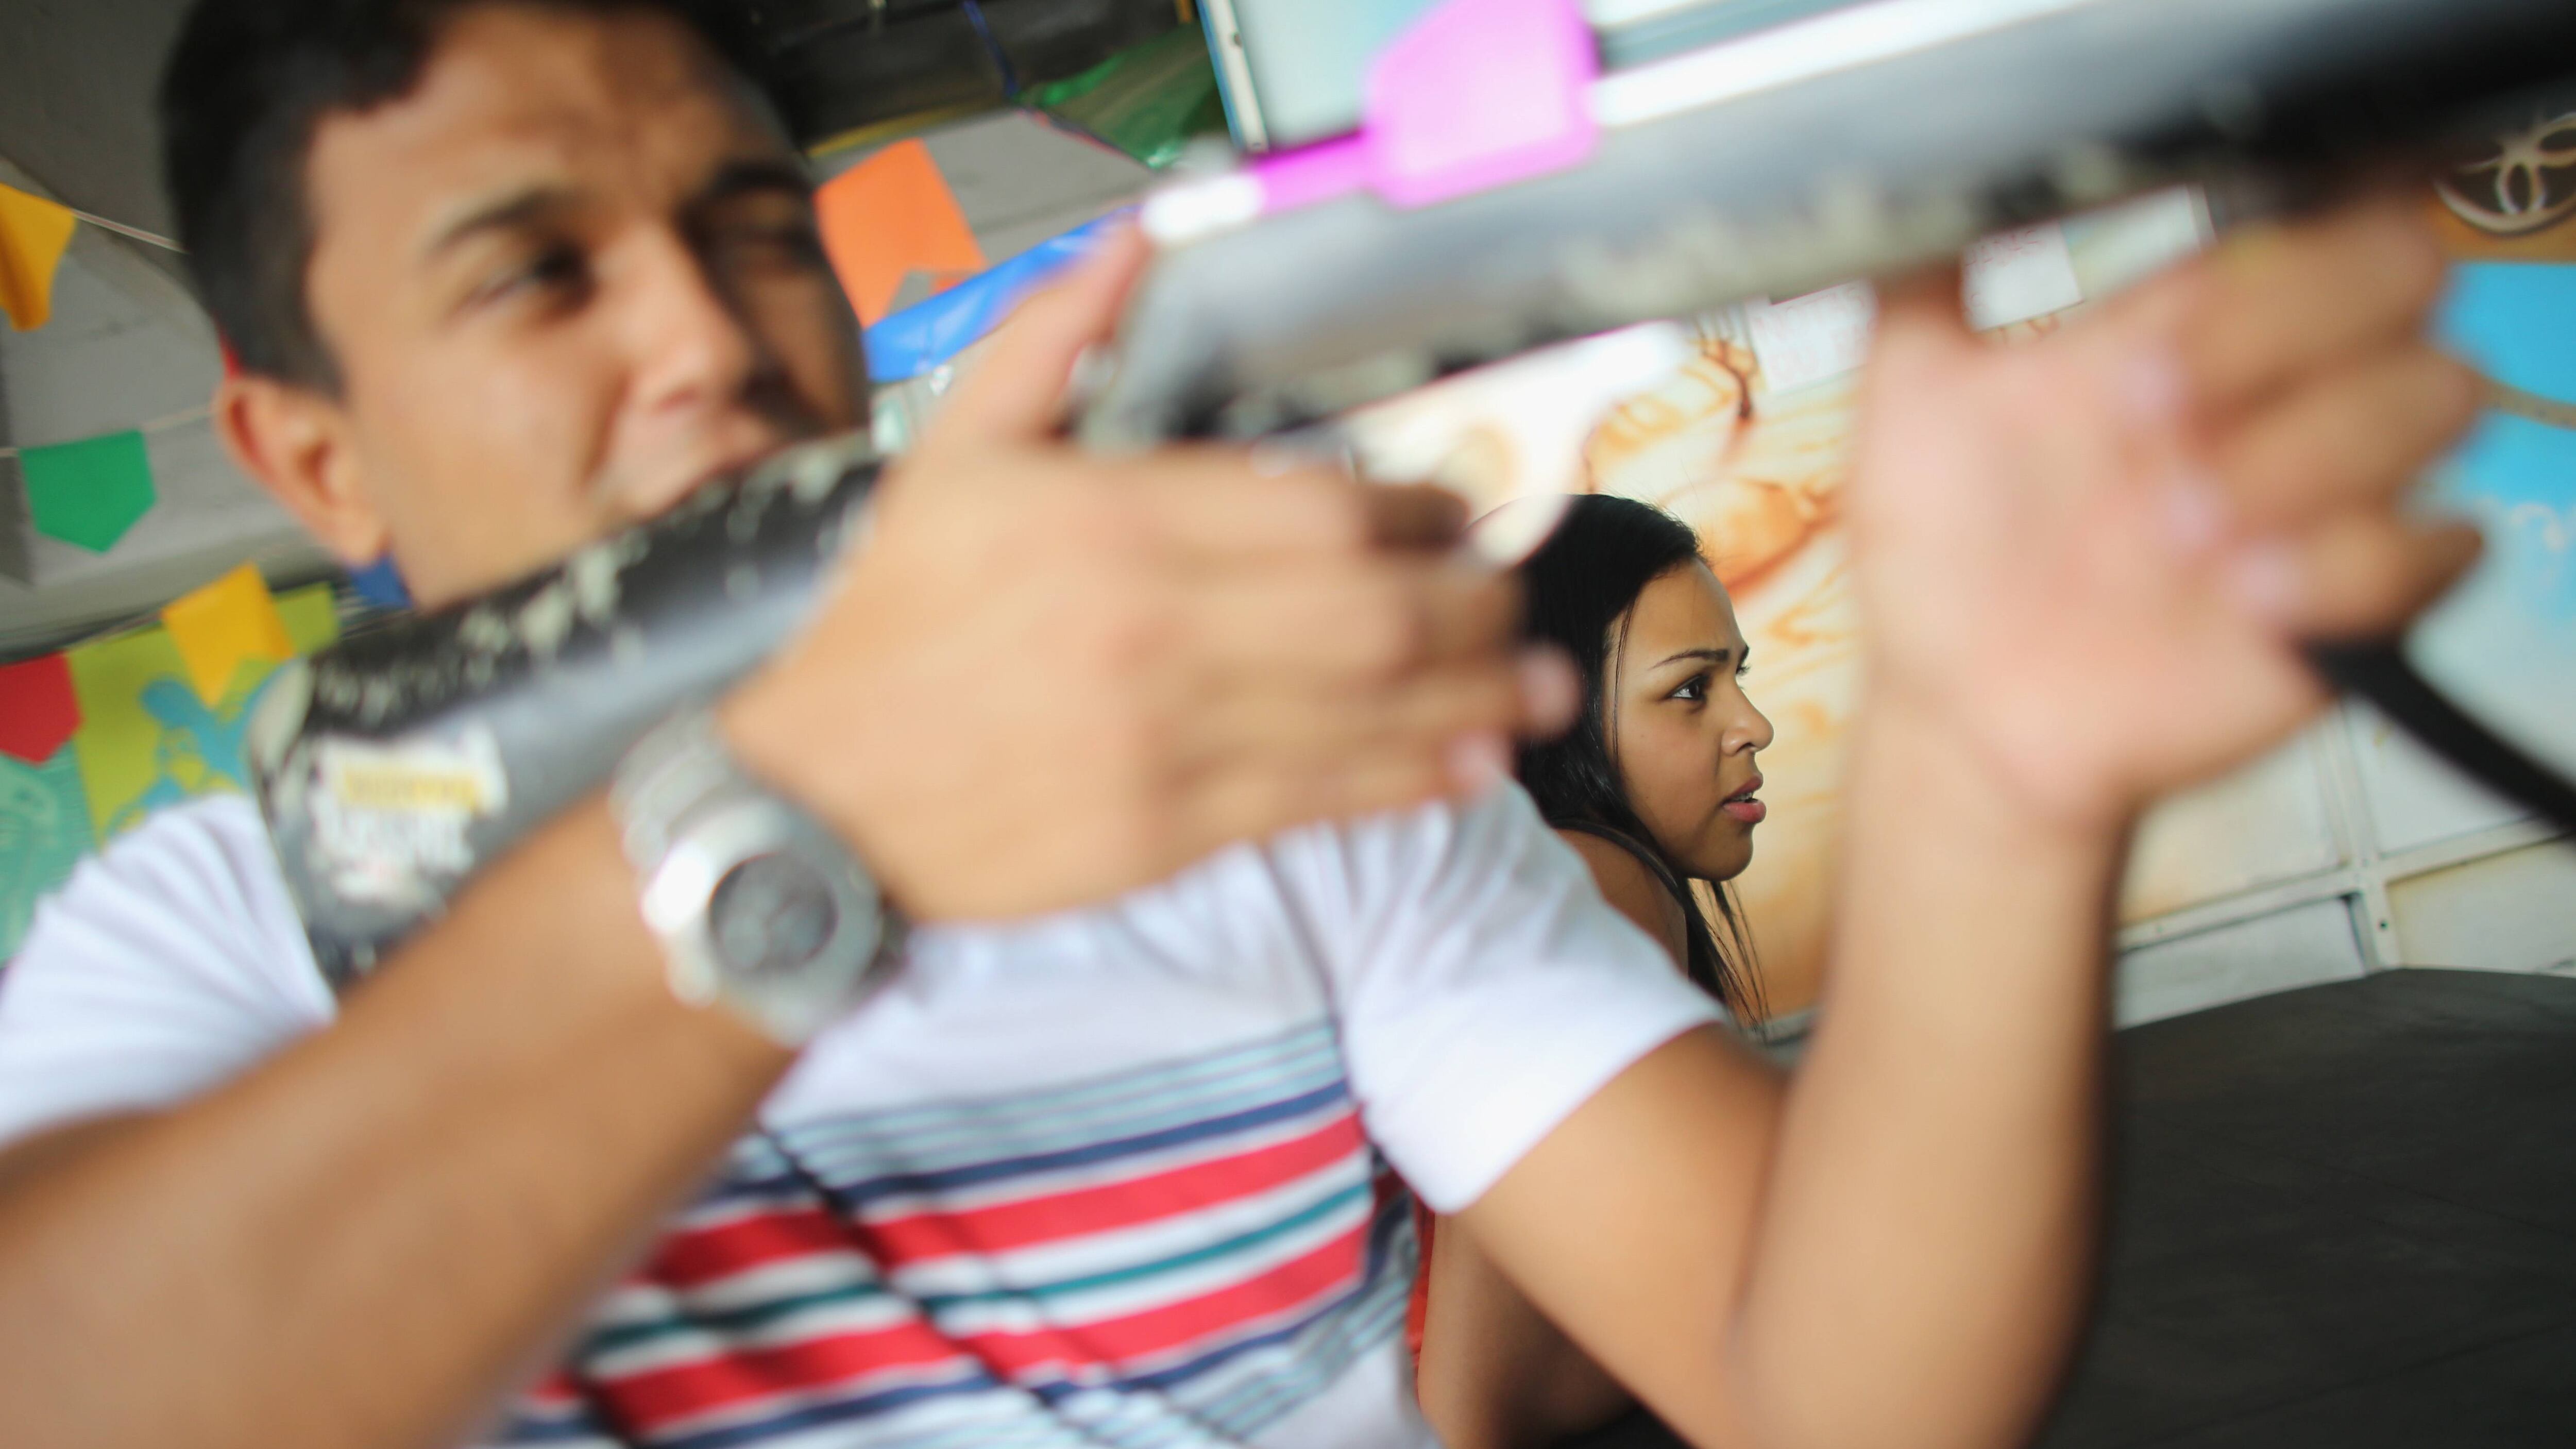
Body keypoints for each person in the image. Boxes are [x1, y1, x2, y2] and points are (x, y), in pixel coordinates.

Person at [0, 3, 2483, 1448]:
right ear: (310, 453)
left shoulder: (1265, 763)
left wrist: (1994, 775)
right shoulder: (220, 934)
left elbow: (1823, 1380)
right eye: (537, 276)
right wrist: (802, 818)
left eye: (752, 235)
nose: (704, 344)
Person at [1414, 495, 1772, 1448]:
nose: (1754, 726)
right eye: (1690, 691)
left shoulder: (1557, 881)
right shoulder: (1594, 878)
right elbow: (1465, 1411)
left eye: (1737, 678)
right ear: (1544, 714)